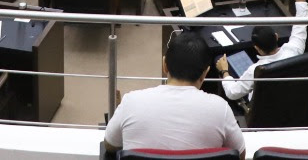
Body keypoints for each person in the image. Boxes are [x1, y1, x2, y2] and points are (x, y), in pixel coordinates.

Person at [103, 29, 245, 156]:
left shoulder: (131, 102)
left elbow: (110, 145)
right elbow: (239, 154)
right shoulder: (220, 109)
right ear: (205, 72)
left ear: (164, 65)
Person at [219, 0, 308, 101]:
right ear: (276, 37)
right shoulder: (294, 49)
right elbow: (302, 16)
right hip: (291, 100)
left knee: (224, 63)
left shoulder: (256, 70)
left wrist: (225, 71)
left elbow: (232, 93)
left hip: (261, 109)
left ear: (257, 48)